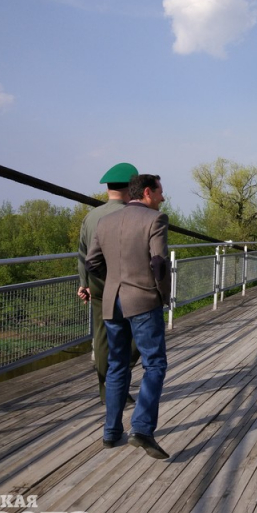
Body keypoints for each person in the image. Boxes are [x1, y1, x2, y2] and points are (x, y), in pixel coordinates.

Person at [86, 174, 171, 459]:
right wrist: (162, 295)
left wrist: (112, 283)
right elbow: (158, 263)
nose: (162, 198)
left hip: (112, 303)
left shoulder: (104, 222)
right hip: (143, 300)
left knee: (117, 365)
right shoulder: (154, 220)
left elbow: (92, 263)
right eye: (160, 192)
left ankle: (111, 433)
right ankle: (142, 428)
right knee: (154, 364)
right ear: (147, 192)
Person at [76, 162, 140, 404]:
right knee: (139, 335)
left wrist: (84, 283)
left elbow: (82, 254)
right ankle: (119, 381)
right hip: (128, 284)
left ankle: (110, 392)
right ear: (131, 187)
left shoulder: (90, 216)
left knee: (102, 338)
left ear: (108, 189)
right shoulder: (134, 215)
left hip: (98, 284)